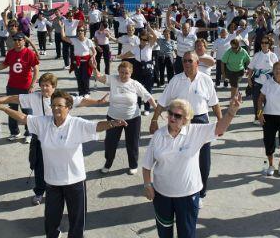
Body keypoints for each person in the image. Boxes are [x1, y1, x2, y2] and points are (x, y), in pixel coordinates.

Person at [0, 90, 126, 238]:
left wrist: (112, 123)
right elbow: (23, 117)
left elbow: (96, 126)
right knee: (51, 219)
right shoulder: (43, 123)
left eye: (60, 105)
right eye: (53, 105)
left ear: (68, 107)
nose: (55, 108)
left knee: (77, 220)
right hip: (52, 182)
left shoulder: (76, 124)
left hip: (75, 182)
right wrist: (2, 107)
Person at [0, 73, 108, 206]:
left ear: (54, 87)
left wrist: (97, 102)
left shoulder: (62, 98)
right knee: (38, 165)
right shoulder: (34, 97)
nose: (44, 89)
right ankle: (39, 192)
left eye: (47, 86)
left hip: (61, 137)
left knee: (61, 165)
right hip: (41, 137)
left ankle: (62, 189)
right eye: (42, 85)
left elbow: (81, 101)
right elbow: (15, 98)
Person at [143, 95, 242, 238]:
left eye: (177, 115)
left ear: (186, 119)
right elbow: (147, 165)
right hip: (162, 195)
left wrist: (231, 112)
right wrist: (147, 184)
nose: (172, 117)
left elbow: (220, 128)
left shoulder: (195, 131)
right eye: (170, 113)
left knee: (187, 234)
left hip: (188, 195)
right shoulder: (158, 135)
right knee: (164, 233)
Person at [150, 51, 222, 208]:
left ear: (197, 63)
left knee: (204, 160)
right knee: (179, 157)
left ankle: (201, 193)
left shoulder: (206, 80)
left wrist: (221, 122)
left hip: (200, 120)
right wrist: (154, 119)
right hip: (179, 121)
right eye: (184, 61)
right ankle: (179, 187)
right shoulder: (176, 80)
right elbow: (162, 102)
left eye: (190, 61)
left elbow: (214, 103)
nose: (187, 64)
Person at [95, 62, 156, 175]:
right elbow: (99, 77)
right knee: (110, 143)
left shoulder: (135, 84)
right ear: (118, 72)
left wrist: (157, 110)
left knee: (132, 143)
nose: (123, 75)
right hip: (113, 118)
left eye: (126, 73)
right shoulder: (113, 79)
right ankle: (108, 163)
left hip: (133, 118)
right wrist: (94, 68)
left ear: (131, 73)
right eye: (121, 72)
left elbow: (148, 96)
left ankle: (133, 165)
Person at [0, 32, 39, 143]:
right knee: (12, 110)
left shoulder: (29, 53)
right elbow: (3, 65)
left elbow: (36, 69)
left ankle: (29, 133)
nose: (17, 42)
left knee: (27, 111)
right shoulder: (11, 53)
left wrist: (32, 84)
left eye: (19, 40)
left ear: (24, 41)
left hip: (25, 87)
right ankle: (15, 132)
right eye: (15, 40)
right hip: (12, 86)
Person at [119, 26, 157, 115]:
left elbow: (155, 37)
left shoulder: (149, 46)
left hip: (148, 69)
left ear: (148, 40)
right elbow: (127, 54)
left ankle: (147, 108)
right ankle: (138, 107)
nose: (143, 41)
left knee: (147, 90)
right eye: (142, 39)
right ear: (139, 38)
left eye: (145, 40)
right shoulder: (136, 47)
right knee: (137, 89)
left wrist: (150, 28)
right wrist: (119, 56)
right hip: (138, 68)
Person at [247, 36, 277, 123]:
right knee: (257, 102)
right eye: (262, 43)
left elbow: (277, 69)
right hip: (257, 83)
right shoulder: (257, 55)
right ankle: (258, 117)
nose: (264, 44)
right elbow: (251, 68)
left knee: (269, 102)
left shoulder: (273, 56)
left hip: (269, 83)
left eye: (266, 43)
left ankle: (268, 118)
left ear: (269, 44)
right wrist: (249, 79)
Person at [60, 26, 96, 97]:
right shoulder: (74, 40)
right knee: (79, 77)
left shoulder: (88, 41)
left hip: (86, 62)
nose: (80, 32)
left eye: (82, 30)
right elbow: (63, 37)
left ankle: (86, 92)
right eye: (79, 30)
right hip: (77, 61)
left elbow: (94, 52)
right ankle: (81, 92)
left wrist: (92, 57)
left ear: (84, 32)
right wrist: (62, 27)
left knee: (85, 77)